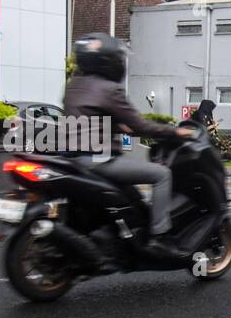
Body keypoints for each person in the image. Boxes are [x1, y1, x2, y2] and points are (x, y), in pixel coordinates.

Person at [63, 32, 194, 262]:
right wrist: (175, 131)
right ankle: (159, 236)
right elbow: (141, 125)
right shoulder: (110, 89)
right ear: (111, 61)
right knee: (162, 174)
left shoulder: (74, 86)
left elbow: (89, 118)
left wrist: (119, 128)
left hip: (72, 160)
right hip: (98, 160)